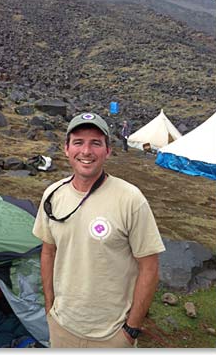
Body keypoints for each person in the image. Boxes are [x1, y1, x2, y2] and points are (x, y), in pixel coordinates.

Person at [33, 112, 165, 348]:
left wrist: (131, 329)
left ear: (108, 150)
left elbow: (150, 266)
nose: (86, 151)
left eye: (96, 143)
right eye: (78, 142)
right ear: (66, 149)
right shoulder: (53, 195)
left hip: (112, 335)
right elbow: (48, 251)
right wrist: (50, 307)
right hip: (62, 327)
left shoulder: (130, 199)